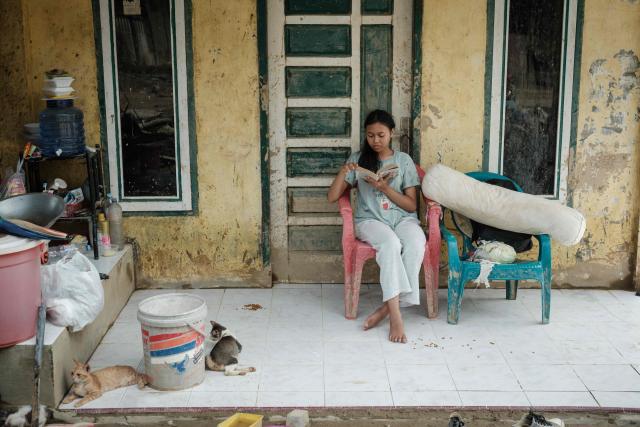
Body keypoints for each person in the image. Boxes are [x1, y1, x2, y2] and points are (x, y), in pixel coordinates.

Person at [327, 109, 425, 344]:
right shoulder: (358, 159)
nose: (376, 141)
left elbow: (411, 205)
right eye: (370, 136)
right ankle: (396, 316)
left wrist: (384, 188)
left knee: (416, 243)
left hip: (401, 218)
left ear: (391, 133)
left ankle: (385, 309)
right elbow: (332, 197)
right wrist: (344, 171)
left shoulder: (403, 161)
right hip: (369, 220)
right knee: (390, 244)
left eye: (381, 135)